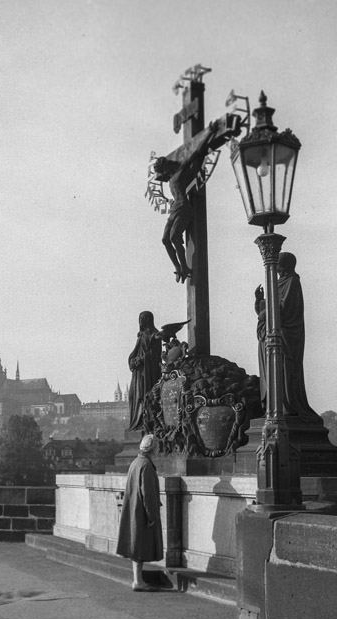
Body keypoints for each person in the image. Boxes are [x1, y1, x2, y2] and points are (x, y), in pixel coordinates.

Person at [255, 252, 320, 423]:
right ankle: (271, 406)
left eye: (278, 265)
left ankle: (285, 406)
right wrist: (260, 302)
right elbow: (269, 308)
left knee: (283, 369)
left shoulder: (293, 282)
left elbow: (285, 308)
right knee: (269, 370)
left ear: (284, 265)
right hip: (269, 333)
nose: (276, 269)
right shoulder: (276, 283)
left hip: (285, 336)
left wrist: (265, 312)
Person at [154, 121, 222, 283]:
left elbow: (196, 153)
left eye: (162, 171)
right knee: (165, 240)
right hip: (175, 209)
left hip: (184, 207)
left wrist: (209, 133)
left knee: (174, 237)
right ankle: (178, 267)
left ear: (166, 167)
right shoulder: (170, 179)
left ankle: (184, 266)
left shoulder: (179, 172)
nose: (162, 174)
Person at [116, 434, 163, 591]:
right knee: (141, 546)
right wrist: (152, 515)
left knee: (136, 546)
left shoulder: (135, 463)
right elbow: (148, 494)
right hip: (142, 512)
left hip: (134, 509)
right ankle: (138, 581)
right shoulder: (146, 466)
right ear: (153, 449)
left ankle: (138, 579)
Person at [127, 311, 163, 433]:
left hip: (148, 372)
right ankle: (137, 421)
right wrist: (133, 360)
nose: (141, 321)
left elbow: (155, 354)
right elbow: (135, 352)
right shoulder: (141, 335)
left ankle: (145, 421)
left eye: (144, 318)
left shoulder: (155, 334)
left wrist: (142, 360)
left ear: (149, 320)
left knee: (143, 395)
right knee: (133, 395)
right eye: (140, 319)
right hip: (138, 372)